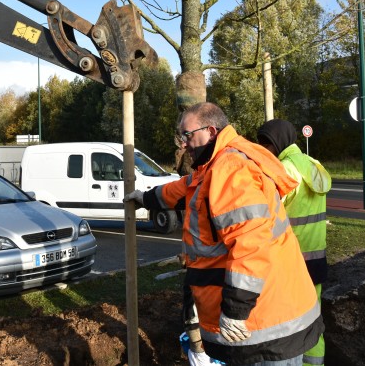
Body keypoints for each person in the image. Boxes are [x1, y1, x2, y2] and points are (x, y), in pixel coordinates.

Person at [124, 102, 323, 366]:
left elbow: (251, 244)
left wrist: (236, 311)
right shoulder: (217, 163)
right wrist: (148, 198)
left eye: (187, 135)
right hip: (270, 308)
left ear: (211, 130)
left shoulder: (230, 168)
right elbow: (187, 187)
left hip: (264, 319)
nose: (183, 144)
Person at [257, 119, 332, 366]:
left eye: (265, 144)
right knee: (313, 319)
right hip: (316, 257)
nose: (263, 150)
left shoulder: (284, 169)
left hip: (291, 260)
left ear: (276, 142)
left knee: (290, 322)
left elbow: (266, 212)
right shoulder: (313, 164)